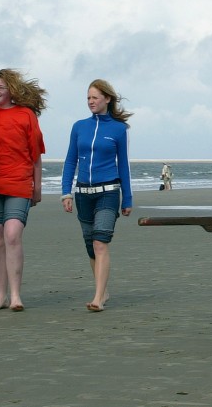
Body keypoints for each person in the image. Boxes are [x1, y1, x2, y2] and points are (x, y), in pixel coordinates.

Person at [61, 79, 133, 312]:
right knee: (91, 246)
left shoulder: (119, 129)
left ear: (107, 99)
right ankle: (103, 290)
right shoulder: (79, 126)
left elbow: (124, 165)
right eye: (88, 98)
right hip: (83, 193)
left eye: (95, 97)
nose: (91, 101)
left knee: (100, 242)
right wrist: (66, 193)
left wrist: (128, 199)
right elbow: (70, 160)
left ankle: (98, 297)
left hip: (108, 192)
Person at [0, 68, 47, 311]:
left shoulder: (26, 114)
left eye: (0, 87)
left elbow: (35, 154)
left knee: (12, 235)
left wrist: (37, 187)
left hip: (19, 184)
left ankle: (16, 296)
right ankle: (0, 296)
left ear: (11, 90)